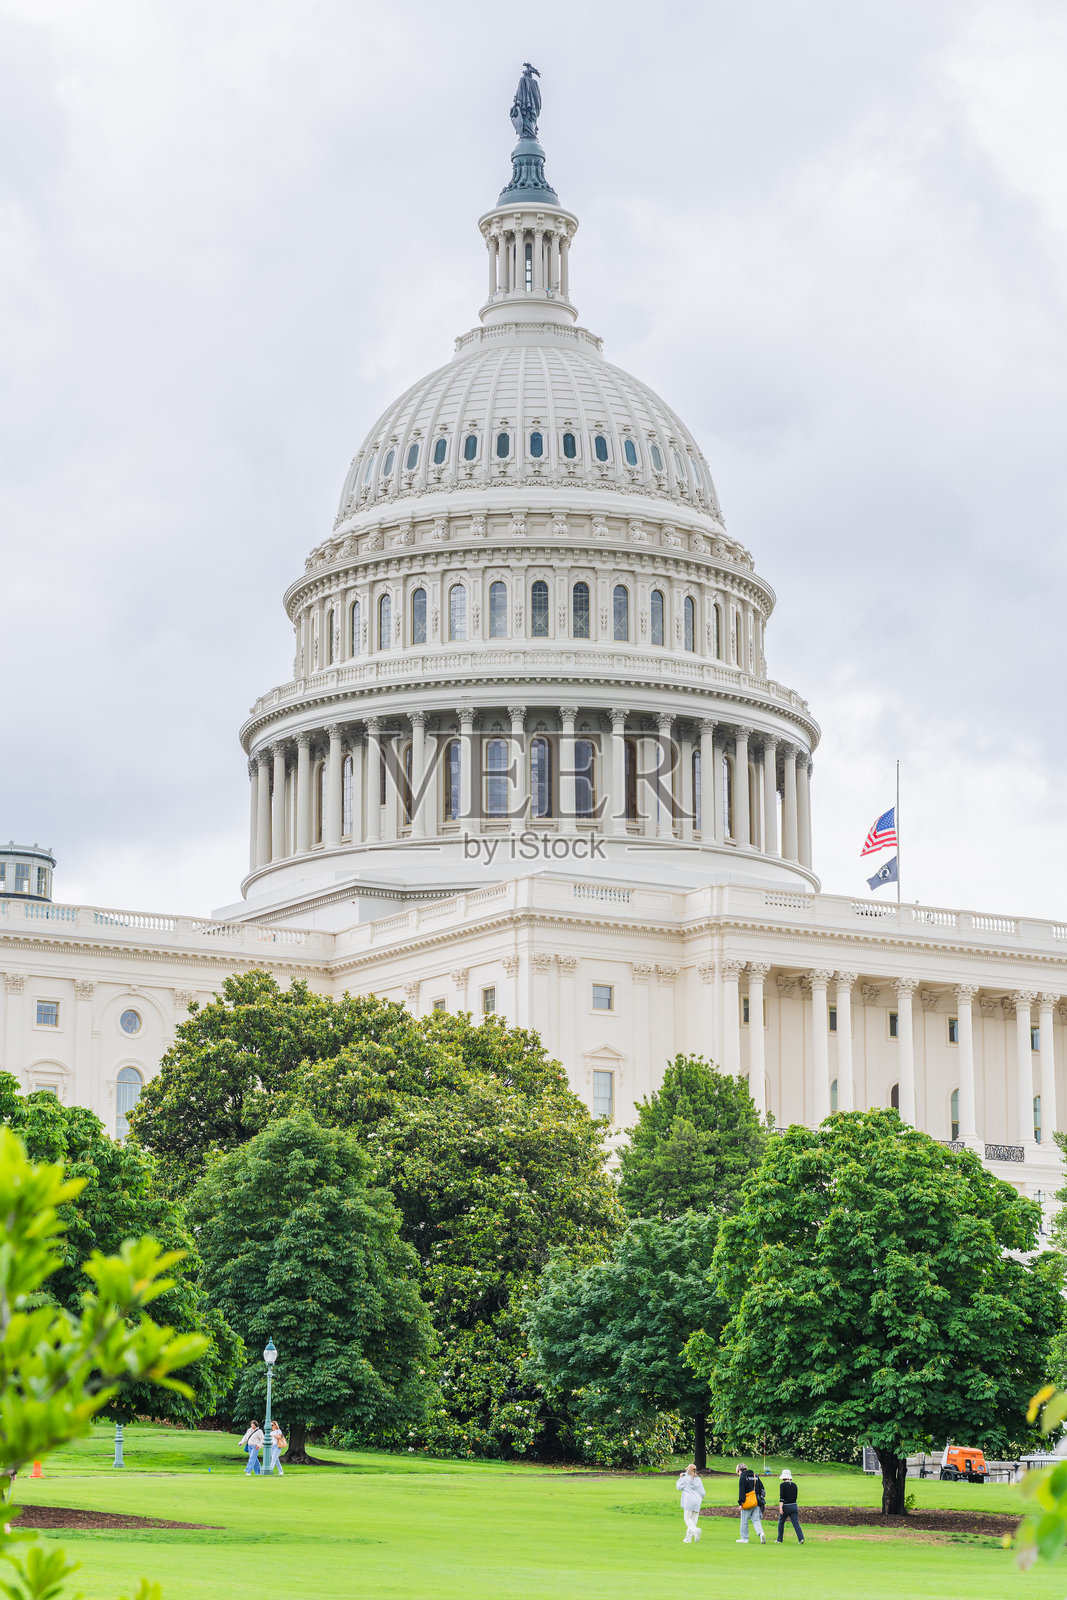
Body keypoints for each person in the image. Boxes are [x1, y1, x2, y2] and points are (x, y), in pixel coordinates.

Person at [735, 1461, 766, 1544]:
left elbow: (742, 1491)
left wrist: (740, 1503)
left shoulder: (743, 1477)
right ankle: (761, 1533)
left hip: (747, 1502)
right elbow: (763, 1490)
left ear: (739, 1470)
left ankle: (744, 1538)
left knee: (744, 1520)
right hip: (756, 1502)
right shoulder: (756, 1476)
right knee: (756, 1520)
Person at [675, 1463, 705, 1543]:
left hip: (689, 1501)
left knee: (687, 1518)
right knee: (693, 1520)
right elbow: (703, 1493)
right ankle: (688, 1538)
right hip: (697, 1501)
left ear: (688, 1470)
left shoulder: (686, 1479)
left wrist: (681, 1478)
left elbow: (678, 1486)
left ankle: (695, 1531)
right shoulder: (698, 1479)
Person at [777, 1469, 804, 1544]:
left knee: (781, 1522)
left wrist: (780, 1508)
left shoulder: (782, 1485)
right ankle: (801, 1538)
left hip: (786, 1506)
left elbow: (782, 1497)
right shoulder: (794, 1485)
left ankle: (779, 1539)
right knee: (796, 1523)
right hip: (794, 1506)